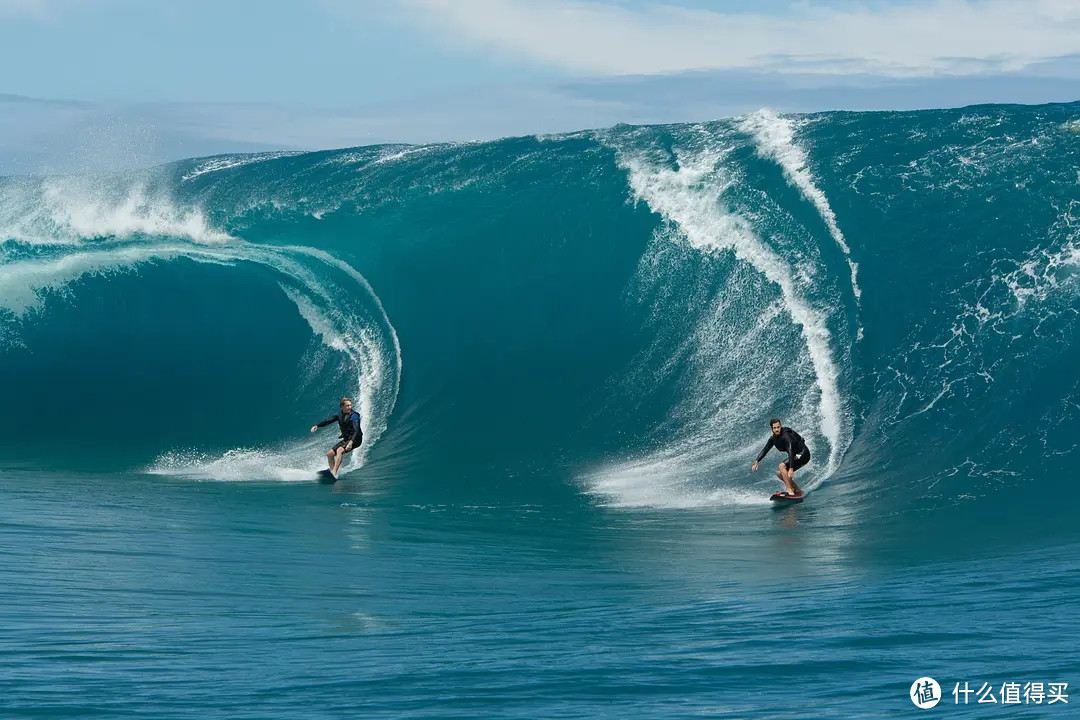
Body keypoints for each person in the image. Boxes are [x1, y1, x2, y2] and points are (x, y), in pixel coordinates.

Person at [751, 418, 809, 497]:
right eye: (774, 428)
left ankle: (790, 491)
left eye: (778, 427)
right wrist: (757, 461)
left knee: (781, 466)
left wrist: (791, 469)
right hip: (796, 456)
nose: (777, 429)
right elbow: (765, 450)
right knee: (780, 474)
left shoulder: (786, 436)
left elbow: (790, 451)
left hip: (803, 454)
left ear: (780, 426)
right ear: (772, 429)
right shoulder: (773, 439)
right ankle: (798, 490)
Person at [310, 397, 363, 477]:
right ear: (342, 407)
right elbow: (328, 420)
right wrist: (317, 426)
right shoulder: (339, 414)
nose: (349, 407)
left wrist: (351, 443)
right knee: (329, 454)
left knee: (339, 450)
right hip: (347, 439)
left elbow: (357, 430)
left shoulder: (354, 416)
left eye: (350, 405)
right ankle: (332, 472)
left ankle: (334, 472)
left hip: (356, 439)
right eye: (347, 406)